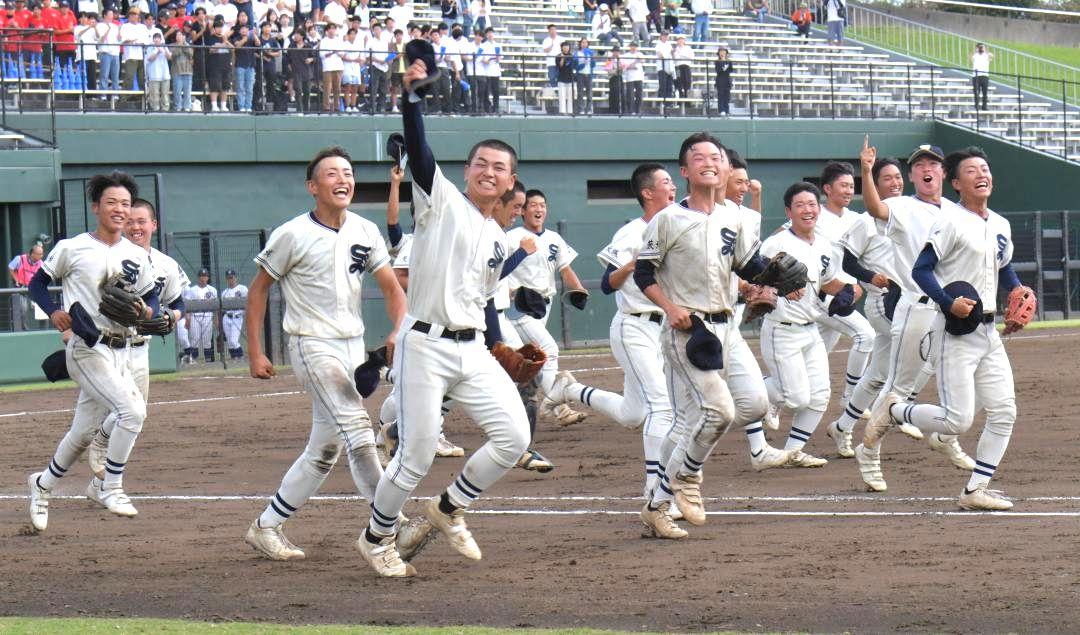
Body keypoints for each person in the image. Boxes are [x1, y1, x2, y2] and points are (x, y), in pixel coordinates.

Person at [357, 59, 531, 578]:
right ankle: (376, 539)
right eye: (480, 163)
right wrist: (412, 99)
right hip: (426, 344)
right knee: (414, 456)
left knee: (514, 438)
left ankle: (448, 509)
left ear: (511, 182)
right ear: (467, 170)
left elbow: (482, 299)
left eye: (498, 168)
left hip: (472, 348)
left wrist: (500, 345)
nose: (488, 172)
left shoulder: (499, 238)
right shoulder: (442, 200)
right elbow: (421, 151)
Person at [243, 146, 419, 561]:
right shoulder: (291, 234)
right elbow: (258, 290)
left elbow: (392, 289)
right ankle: (394, 524)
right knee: (358, 430)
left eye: (348, 173)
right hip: (311, 344)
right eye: (332, 173)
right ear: (312, 186)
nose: (343, 180)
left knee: (324, 450)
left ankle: (266, 526)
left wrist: (399, 328)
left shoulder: (365, 230)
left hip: (352, 347)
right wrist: (255, 352)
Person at [863, 147, 1026, 511]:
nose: (981, 174)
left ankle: (975, 490)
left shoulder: (1000, 224)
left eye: (985, 168)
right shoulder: (950, 221)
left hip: (989, 333)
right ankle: (896, 411)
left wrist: (1016, 289)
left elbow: (1004, 267)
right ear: (956, 183)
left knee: (1004, 412)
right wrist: (946, 302)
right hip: (955, 332)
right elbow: (921, 270)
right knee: (957, 421)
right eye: (971, 171)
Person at [635, 132, 775, 537]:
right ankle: (685, 478)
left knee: (754, 403)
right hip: (689, 329)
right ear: (684, 171)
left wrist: (772, 280)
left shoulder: (735, 217)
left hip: (728, 327)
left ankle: (656, 504)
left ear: (725, 167)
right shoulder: (668, 219)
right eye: (699, 158)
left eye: (716, 156)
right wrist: (670, 308)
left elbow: (747, 265)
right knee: (718, 413)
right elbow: (643, 273)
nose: (709, 162)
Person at [25, 172, 159, 532]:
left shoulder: (136, 254)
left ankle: (42, 485)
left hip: (122, 351)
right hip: (87, 347)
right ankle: (111, 486)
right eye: (112, 202)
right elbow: (37, 283)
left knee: (82, 434)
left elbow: (152, 297)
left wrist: (147, 310)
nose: (120, 209)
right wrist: (54, 311)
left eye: (126, 204)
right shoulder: (72, 247)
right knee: (132, 411)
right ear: (96, 207)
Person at [854, 139, 974, 492]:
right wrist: (866, 171)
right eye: (919, 165)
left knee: (967, 374)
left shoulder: (956, 211)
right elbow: (875, 208)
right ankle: (868, 451)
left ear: (943, 172)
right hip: (917, 307)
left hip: (953, 311)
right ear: (912, 175)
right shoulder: (902, 206)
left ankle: (945, 436)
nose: (926, 169)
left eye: (932, 163)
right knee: (899, 388)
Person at [85, 198, 188, 492]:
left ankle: (100, 485)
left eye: (141, 221)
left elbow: (179, 304)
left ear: (153, 225)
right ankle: (98, 445)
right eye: (130, 221)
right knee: (122, 412)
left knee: (136, 414)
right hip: (109, 346)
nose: (135, 227)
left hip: (141, 348)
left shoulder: (166, 265)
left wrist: (170, 317)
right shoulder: (107, 258)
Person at [592, 164, 676, 513]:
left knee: (632, 413)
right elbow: (606, 284)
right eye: (666, 182)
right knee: (662, 406)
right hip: (634, 326)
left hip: (664, 328)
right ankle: (654, 491)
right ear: (647, 192)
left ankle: (572, 390)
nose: (673, 187)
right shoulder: (631, 233)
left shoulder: (677, 226)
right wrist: (632, 264)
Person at [760, 182, 863, 469]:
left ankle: (793, 452)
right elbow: (753, 281)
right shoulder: (776, 244)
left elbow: (826, 281)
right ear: (788, 212)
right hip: (781, 328)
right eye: (800, 205)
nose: (808, 210)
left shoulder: (823, 244)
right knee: (796, 398)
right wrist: (778, 287)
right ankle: (750, 388)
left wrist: (852, 289)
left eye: (812, 204)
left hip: (811, 329)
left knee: (819, 397)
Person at [827, 156, 902, 460]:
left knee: (877, 374)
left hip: (905, 300)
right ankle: (902, 412)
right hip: (883, 300)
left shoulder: (911, 213)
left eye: (898, 177)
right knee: (922, 348)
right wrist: (870, 277)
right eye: (887, 178)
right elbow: (847, 261)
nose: (895, 183)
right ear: (874, 184)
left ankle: (842, 426)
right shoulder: (865, 221)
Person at [505, 189, 591, 427]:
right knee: (548, 350)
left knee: (527, 361)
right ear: (523, 211)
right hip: (518, 306)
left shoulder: (554, 238)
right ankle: (558, 407)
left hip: (543, 304)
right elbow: (498, 269)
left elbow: (565, 268)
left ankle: (516, 412)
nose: (539, 209)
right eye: (533, 205)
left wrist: (579, 289)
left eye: (542, 205)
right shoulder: (513, 237)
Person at [7, 242, 45, 332]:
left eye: (42, 254)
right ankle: (23, 330)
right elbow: (10, 267)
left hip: (33, 289)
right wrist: (16, 279)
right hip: (21, 289)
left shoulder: (41, 263)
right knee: (22, 309)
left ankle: (43, 330)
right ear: (32, 254)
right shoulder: (20, 259)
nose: (41, 256)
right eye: (39, 254)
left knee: (42, 307)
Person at [185, 267, 217, 362]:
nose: (203, 278)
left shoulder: (212, 290)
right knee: (194, 340)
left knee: (207, 340)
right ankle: (194, 360)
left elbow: (215, 306)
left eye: (205, 276)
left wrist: (216, 319)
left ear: (208, 278)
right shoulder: (192, 290)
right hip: (195, 316)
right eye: (201, 276)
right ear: (198, 277)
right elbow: (187, 305)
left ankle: (208, 360)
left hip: (208, 316)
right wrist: (187, 319)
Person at [204, 18, 233, 111]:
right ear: (214, 28)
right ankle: (214, 105)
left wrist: (225, 41)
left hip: (226, 65)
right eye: (217, 27)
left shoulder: (225, 38)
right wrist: (223, 44)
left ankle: (223, 106)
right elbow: (211, 49)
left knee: (225, 87)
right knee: (214, 86)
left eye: (221, 27)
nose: (219, 29)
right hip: (214, 66)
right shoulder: (210, 38)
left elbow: (233, 48)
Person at [218, 269, 247, 358]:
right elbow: (221, 308)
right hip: (227, 317)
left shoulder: (242, 289)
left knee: (234, 341)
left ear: (235, 277)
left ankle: (240, 357)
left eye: (231, 277)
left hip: (237, 317)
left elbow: (248, 302)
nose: (230, 279)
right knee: (230, 342)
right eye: (228, 278)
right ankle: (234, 359)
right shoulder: (224, 292)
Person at [231, 22, 259, 112]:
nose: (244, 30)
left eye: (246, 29)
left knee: (249, 88)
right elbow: (237, 46)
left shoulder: (252, 39)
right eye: (242, 29)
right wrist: (245, 39)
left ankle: (248, 106)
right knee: (240, 87)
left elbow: (258, 44)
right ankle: (241, 106)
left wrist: (254, 35)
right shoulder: (236, 38)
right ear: (239, 31)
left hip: (250, 65)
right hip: (240, 65)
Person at [120, 7, 148, 92]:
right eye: (131, 14)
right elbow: (123, 40)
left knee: (142, 78)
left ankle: (141, 97)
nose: (133, 16)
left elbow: (146, 41)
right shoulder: (125, 26)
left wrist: (136, 42)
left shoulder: (143, 27)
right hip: (130, 56)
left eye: (135, 14)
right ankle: (125, 97)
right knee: (129, 77)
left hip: (141, 56)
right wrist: (132, 41)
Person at [318, 22, 344, 112]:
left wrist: (336, 52)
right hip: (328, 67)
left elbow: (342, 53)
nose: (332, 30)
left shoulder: (339, 40)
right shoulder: (323, 41)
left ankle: (337, 106)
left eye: (334, 28)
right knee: (327, 88)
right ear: (327, 30)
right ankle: (326, 107)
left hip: (338, 66)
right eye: (330, 28)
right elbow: (322, 54)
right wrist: (332, 52)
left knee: (337, 88)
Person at [96, 8, 121, 96]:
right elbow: (101, 40)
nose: (112, 16)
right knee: (104, 75)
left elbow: (119, 39)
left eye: (112, 14)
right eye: (110, 14)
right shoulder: (99, 25)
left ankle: (115, 94)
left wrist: (120, 34)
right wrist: (108, 30)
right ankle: (103, 94)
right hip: (105, 53)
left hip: (115, 53)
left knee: (115, 76)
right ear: (105, 15)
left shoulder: (115, 26)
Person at [144, 31, 171, 111]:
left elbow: (169, 57)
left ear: (161, 39)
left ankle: (165, 109)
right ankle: (155, 109)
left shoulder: (164, 46)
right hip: (154, 75)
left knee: (165, 94)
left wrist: (164, 49)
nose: (157, 40)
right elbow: (150, 59)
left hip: (165, 75)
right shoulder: (150, 47)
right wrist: (158, 52)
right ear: (153, 40)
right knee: (154, 95)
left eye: (158, 38)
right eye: (155, 38)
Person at [476, 27, 501, 114]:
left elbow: (500, 57)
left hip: (495, 71)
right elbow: (479, 57)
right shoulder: (483, 45)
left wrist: (498, 58)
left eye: (491, 33)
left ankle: (496, 108)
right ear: (486, 35)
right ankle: (486, 107)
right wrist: (484, 60)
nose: (490, 35)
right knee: (486, 91)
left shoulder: (498, 45)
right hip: (486, 71)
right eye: (489, 33)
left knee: (496, 91)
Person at [170, 28, 194, 111]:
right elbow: (174, 55)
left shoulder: (188, 45)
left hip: (188, 71)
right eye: (177, 35)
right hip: (177, 71)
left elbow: (190, 54)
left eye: (180, 35)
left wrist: (184, 44)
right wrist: (180, 45)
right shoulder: (172, 45)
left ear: (184, 37)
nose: (178, 36)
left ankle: (187, 106)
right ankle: (178, 107)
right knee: (177, 91)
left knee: (187, 91)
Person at [573, 37, 595, 115]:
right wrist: (583, 64)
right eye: (583, 42)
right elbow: (575, 66)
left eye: (586, 42)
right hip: (580, 74)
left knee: (589, 93)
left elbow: (593, 65)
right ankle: (581, 109)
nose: (584, 44)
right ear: (580, 43)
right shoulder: (577, 53)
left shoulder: (590, 52)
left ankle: (589, 109)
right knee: (580, 93)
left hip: (589, 75)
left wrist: (592, 59)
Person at [622, 40, 644, 114]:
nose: (634, 48)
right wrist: (634, 63)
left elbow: (642, 61)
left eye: (635, 46)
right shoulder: (626, 55)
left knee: (639, 95)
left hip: (639, 77)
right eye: (632, 46)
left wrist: (631, 65)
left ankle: (638, 110)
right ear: (630, 47)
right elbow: (625, 66)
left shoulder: (640, 54)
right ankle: (630, 110)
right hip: (630, 77)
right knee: (630, 95)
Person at [554, 40, 574, 115]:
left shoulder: (571, 56)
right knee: (562, 96)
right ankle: (562, 111)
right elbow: (560, 66)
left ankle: (570, 111)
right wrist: (562, 58)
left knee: (570, 96)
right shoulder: (558, 56)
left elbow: (572, 65)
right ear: (562, 48)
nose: (566, 49)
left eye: (567, 47)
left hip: (570, 78)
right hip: (561, 78)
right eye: (564, 47)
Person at [540, 24, 562, 89]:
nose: (553, 31)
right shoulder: (546, 40)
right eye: (551, 29)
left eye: (554, 29)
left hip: (560, 62)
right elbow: (545, 50)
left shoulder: (561, 39)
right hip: (551, 63)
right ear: (549, 31)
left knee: (560, 77)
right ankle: (554, 90)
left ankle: (559, 91)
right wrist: (550, 47)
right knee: (552, 77)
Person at [971, 43, 992, 111]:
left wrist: (985, 50)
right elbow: (970, 58)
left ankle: (984, 106)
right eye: (980, 47)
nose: (981, 48)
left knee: (985, 92)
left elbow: (991, 56)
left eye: (982, 47)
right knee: (976, 92)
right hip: (976, 76)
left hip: (985, 76)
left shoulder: (987, 55)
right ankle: (976, 106)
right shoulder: (975, 55)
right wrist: (976, 50)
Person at [604, 44, 623, 114]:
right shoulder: (609, 59)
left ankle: (619, 110)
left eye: (617, 51)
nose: (616, 53)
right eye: (615, 51)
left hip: (619, 77)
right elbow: (607, 69)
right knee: (613, 94)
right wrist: (615, 71)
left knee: (620, 94)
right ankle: (612, 110)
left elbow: (623, 67)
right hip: (612, 78)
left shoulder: (620, 59)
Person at [654, 29, 673, 100]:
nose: (665, 37)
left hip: (669, 67)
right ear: (661, 36)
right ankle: (661, 101)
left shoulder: (669, 44)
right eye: (664, 35)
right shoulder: (658, 44)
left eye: (666, 35)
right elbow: (660, 55)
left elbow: (672, 53)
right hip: (662, 67)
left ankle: (669, 102)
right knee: (663, 85)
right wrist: (666, 55)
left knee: (669, 86)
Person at [713, 46, 732, 116]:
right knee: (721, 96)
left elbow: (731, 69)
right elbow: (718, 71)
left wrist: (726, 66)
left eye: (724, 52)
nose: (722, 53)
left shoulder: (729, 61)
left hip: (727, 80)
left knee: (727, 96)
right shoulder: (717, 61)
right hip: (720, 80)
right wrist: (724, 67)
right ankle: (721, 110)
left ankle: (727, 110)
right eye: (721, 52)